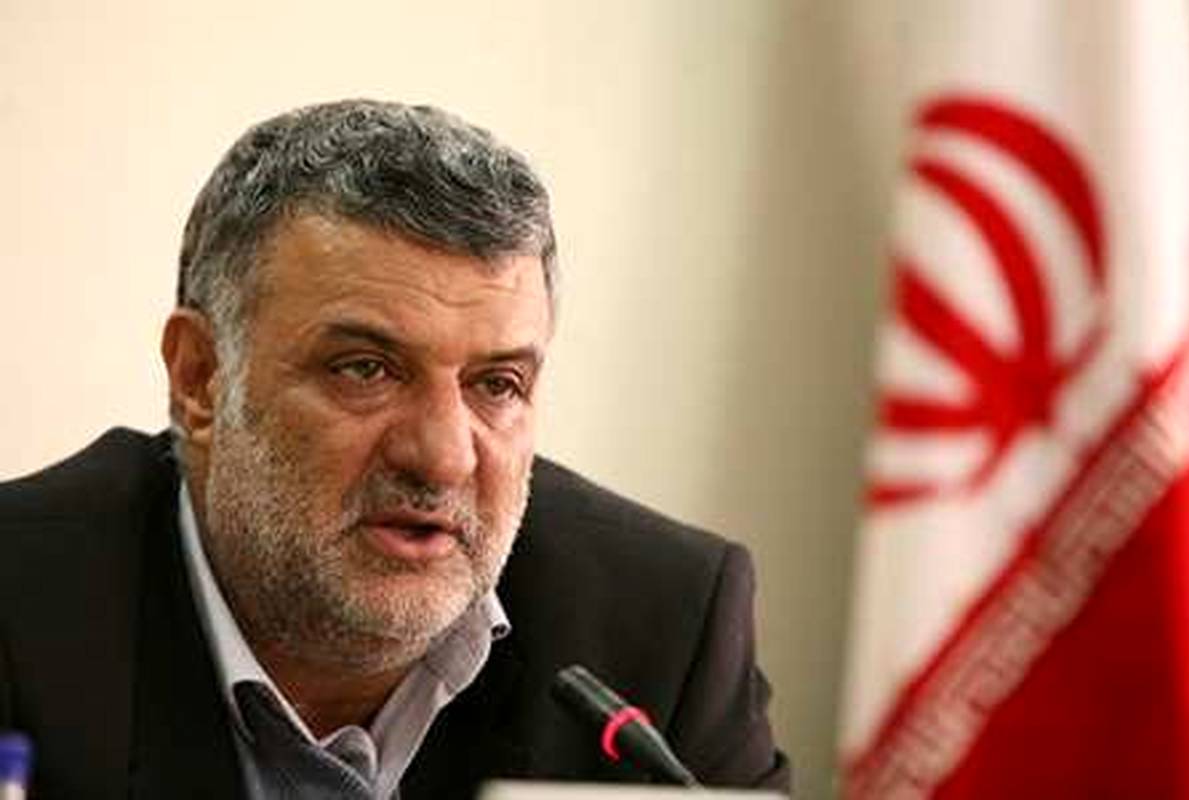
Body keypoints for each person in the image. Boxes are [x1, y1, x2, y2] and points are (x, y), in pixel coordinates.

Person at [0, 99, 789, 799]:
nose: (443, 458)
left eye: (497, 384)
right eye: (366, 370)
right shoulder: (21, 606)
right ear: (201, 378)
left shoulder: (662, 628)